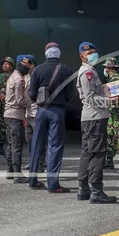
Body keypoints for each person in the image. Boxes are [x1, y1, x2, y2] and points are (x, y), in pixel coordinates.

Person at [28, 43, 74, 192]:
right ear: (58, 54)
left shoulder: (37, 70)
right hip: (57, 112)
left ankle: (33, 180)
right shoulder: (66, 70)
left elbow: (31, 95)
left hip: (41, 110)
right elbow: (70, 95)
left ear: (46, 53)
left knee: (36, 144)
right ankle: (53, 184)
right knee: (55, 146)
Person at [76, 42, 117, 203]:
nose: (93, 55)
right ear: (82, 56)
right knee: (97, 153)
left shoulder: (90, 71)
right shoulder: (87, 73)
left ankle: (83, 189)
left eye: (94, 52)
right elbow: (91, 98)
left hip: (91, 117)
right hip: (95, 117)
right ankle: (97, 190)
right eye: (89, 53)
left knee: (87, 152)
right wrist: (110, 101)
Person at [4, 55, 30, 183]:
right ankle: (17, 174)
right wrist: (31, 102)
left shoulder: (12, 77)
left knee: (10, 143)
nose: (27, 68)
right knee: (16, 145)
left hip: (8, 115)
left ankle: (10, 171)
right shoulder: (19, 79)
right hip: (15, 115)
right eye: (25, 66)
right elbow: (20, 100)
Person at [22, 54, 47, 173]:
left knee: (40, 139)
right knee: (29, 139)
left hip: (37, 112)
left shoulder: (39, 76)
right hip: (28, 113)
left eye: (27, 65)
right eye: (24, 65)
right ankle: (33, 162)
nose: (25, 67)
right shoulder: (25, 77)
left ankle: (41, 163)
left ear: (33, 65)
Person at [0, 57, 14, 156]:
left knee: (11, 126)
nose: (5, 65)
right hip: (0, 105)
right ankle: (0, 146)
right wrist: (0, 95)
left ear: (12, 66)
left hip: (11, 106)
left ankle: (10, 148)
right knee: (0, 125)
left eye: (7, 64)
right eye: (3, 64)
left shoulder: (15, 77)